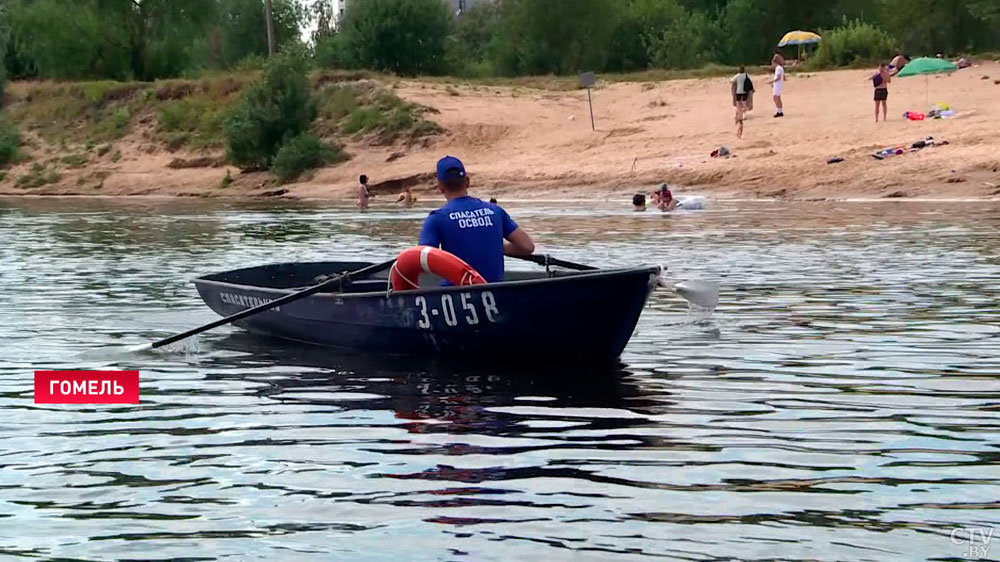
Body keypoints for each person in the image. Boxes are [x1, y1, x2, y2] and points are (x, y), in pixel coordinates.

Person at [418, 156, 534, 283]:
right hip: (497, 292)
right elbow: (527, 246)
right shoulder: (495, 211)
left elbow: (423, 262)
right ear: (467, 182)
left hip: (455, 294)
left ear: (440, 186)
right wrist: (495, 247)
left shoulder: (437, 219)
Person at [731, 66, 752, 138]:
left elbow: (732, 80)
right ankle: (744, 113)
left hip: (738, 91)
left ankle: (738, 115)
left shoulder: (737, 76)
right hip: (744, 91)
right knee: (744, 102)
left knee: (738, 104)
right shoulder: (746, 75)